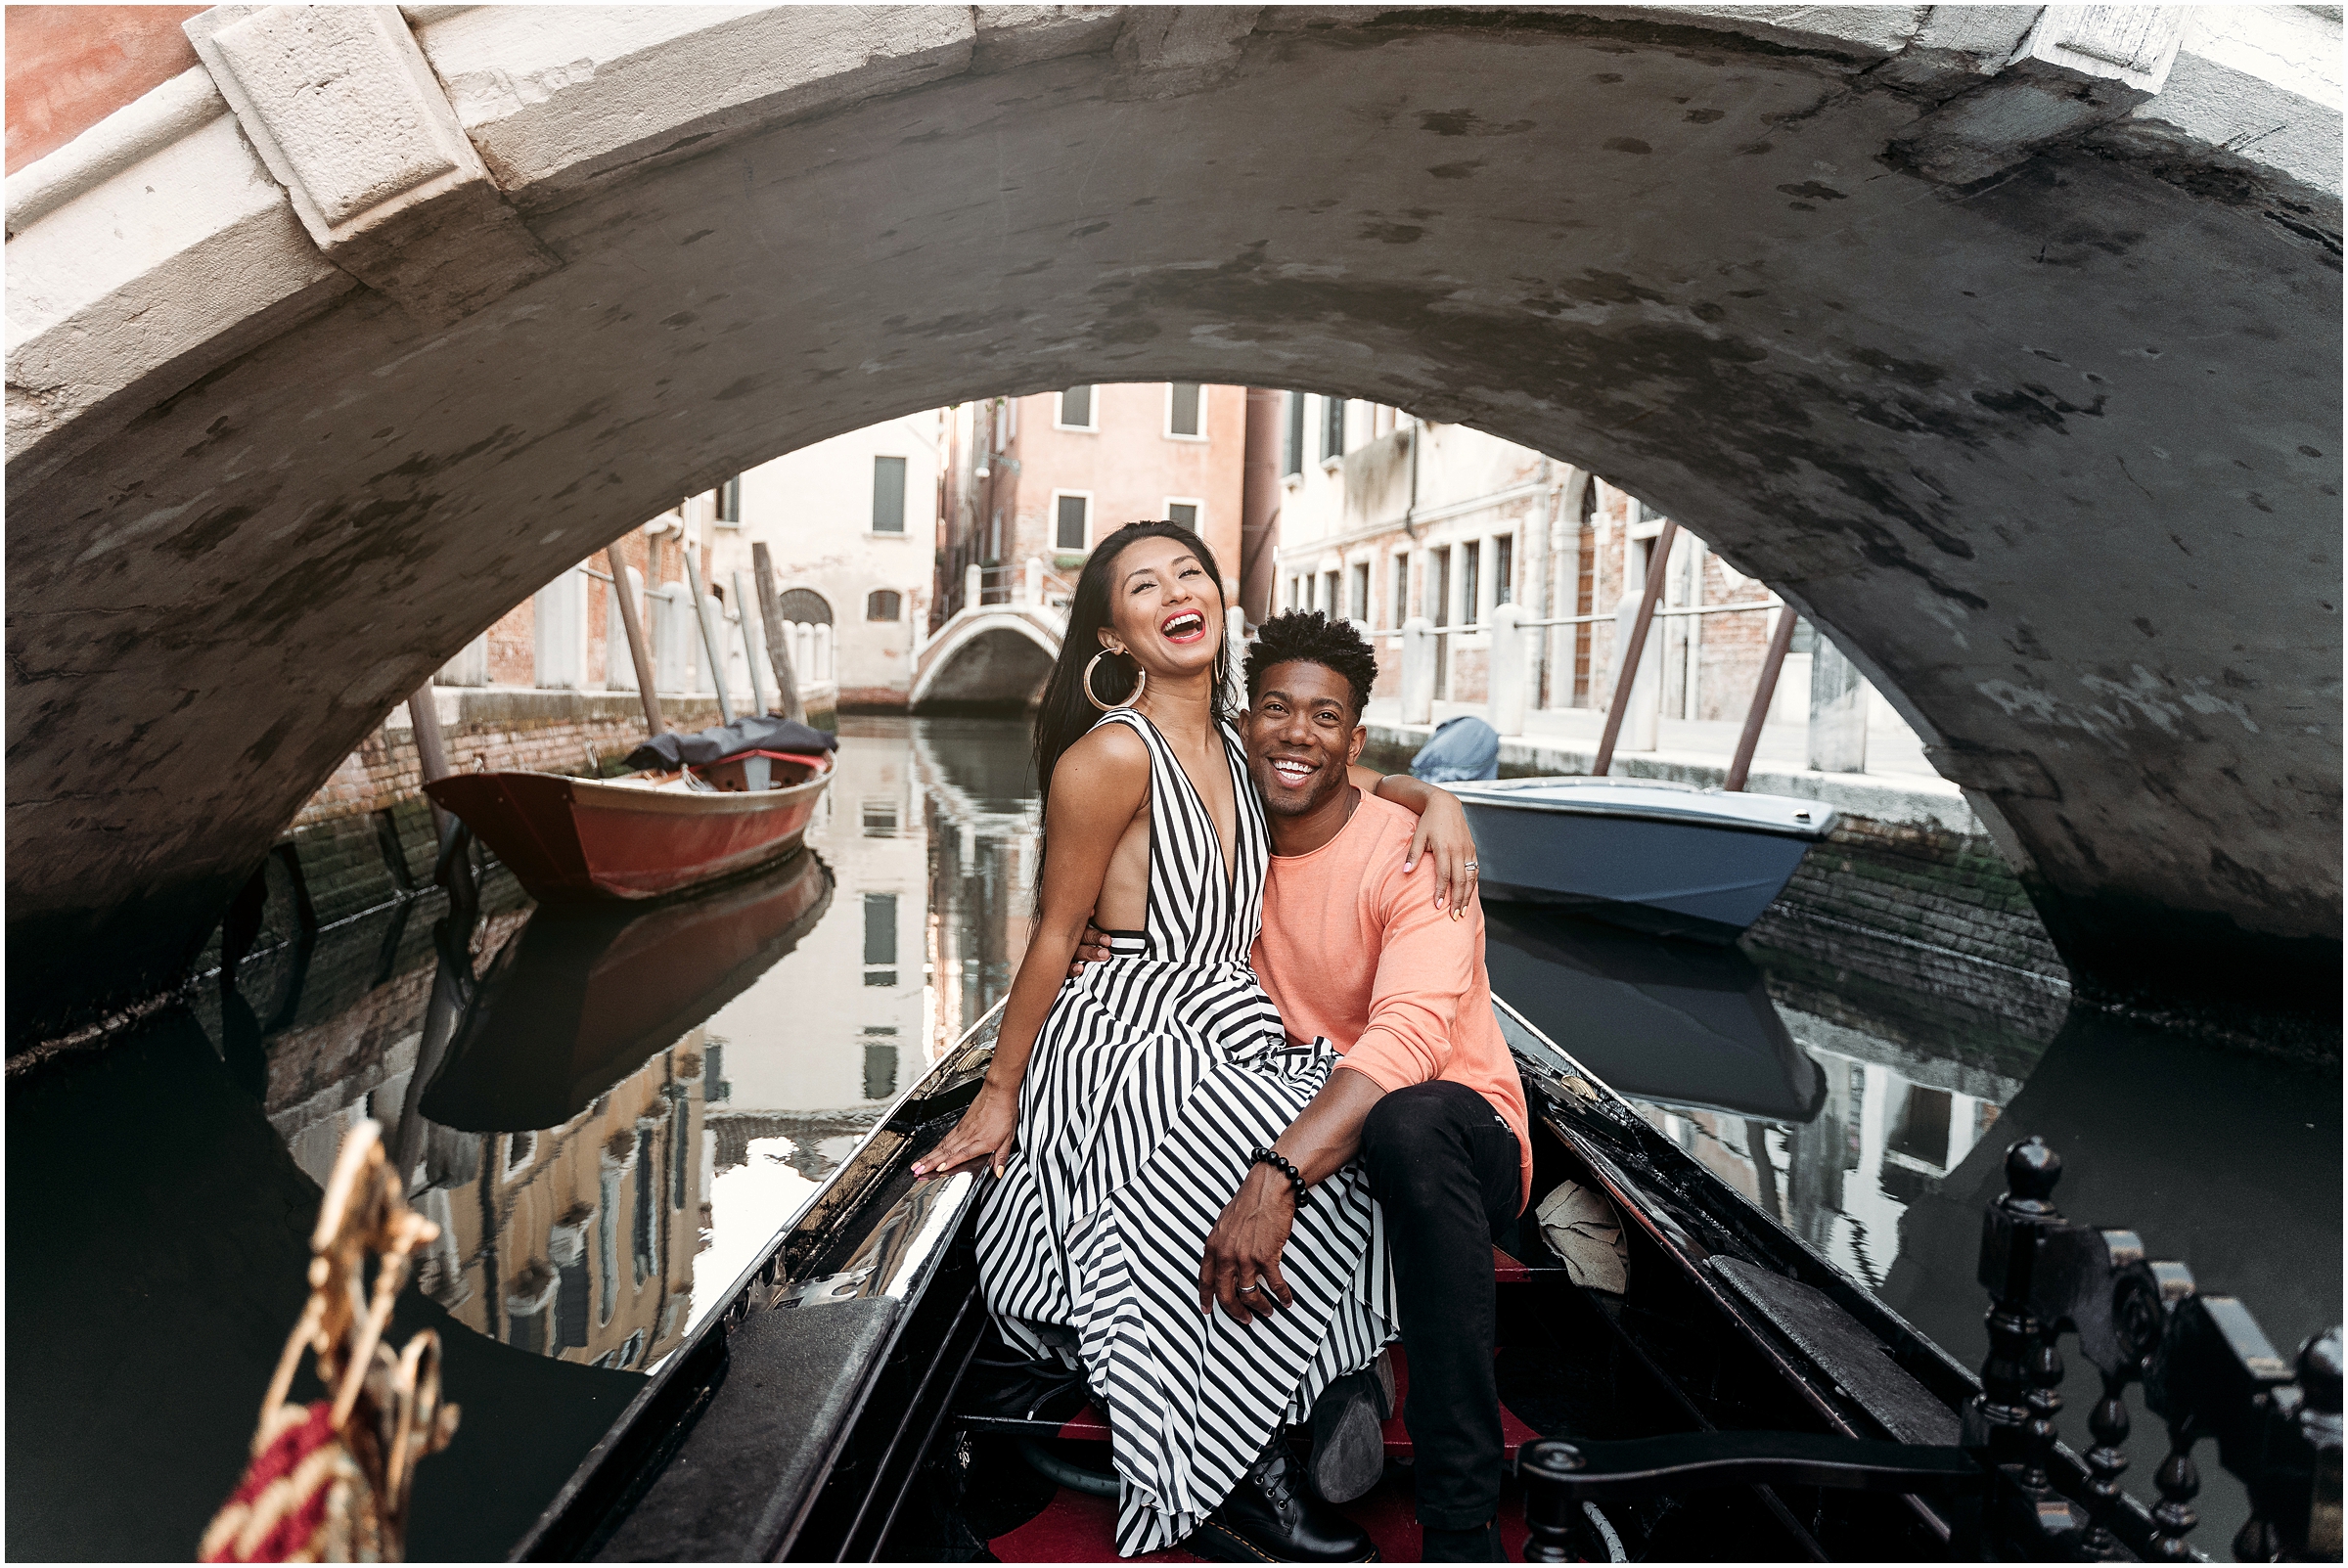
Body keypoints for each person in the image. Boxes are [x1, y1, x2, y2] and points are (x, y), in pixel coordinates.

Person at [913, 525, 1475, 1562]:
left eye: (1189, 573)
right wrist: (1001, 1089)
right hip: (1123, 1027)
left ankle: (1327, 1381)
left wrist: (1432, 796)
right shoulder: (1113, 753)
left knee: (1344, 1129)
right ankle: (1243, 1464)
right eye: (1142, 584)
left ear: (1219, 602)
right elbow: (1050, 933)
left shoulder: (1235, 732)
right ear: (1115, 632)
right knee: (1234, 1149)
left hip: (1228, 1016)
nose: (1175, 591)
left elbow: (1336, 765)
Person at [1087, 611, 1528, 1562]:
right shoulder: (1220, 849)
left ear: (1354, 740)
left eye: (1325, 717)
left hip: (1456, 1130)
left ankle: (1460, 1521)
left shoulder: (1420, 853)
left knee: (1402, 1122)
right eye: (1277, 711)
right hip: (1298, 1103)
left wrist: (1276, 1175)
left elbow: (1408, 1037)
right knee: (1162, 1083)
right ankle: (1326, 1383)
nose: (1298, 733)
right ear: (1245, 725)